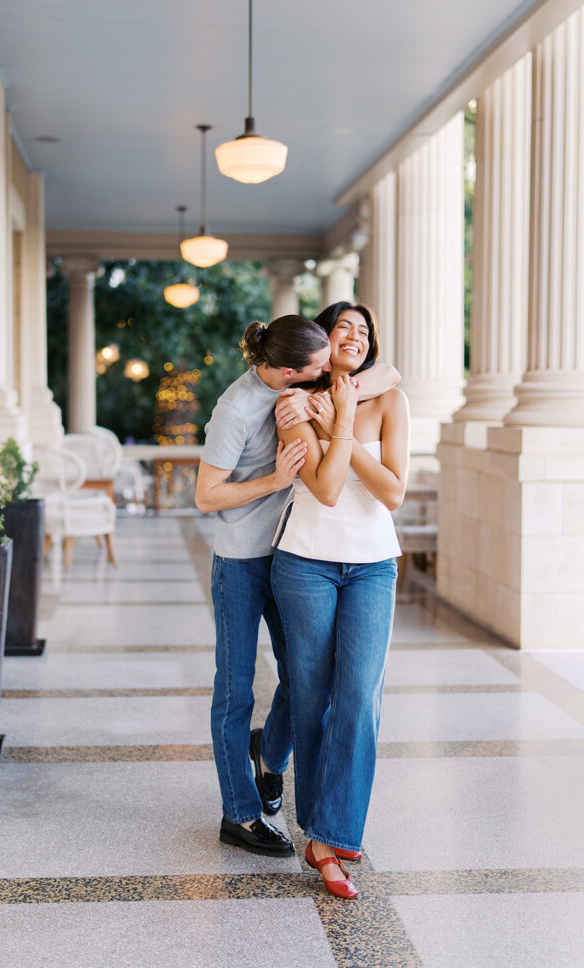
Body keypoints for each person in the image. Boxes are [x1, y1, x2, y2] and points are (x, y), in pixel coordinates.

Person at [195, 312, 400, 858]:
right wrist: (275, 479)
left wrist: (342, 402)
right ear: (292, 370)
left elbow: (387, 374)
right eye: (323, 360)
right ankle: (240, 813)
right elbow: (206, 496)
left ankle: (271, 753)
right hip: (243, 559)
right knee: (236, 689)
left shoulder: (313, 388)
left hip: (292, 553)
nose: (334, 363)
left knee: (305, 679)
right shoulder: (241, 408)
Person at [270, 302, 409, 896]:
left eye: (364, 330)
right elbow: (325, 492)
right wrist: (337, 419)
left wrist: (340, 425)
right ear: (321, 340)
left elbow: (392, 492)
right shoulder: (294, 403)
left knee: (360, 696)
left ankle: (334, 829)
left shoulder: (390, 400)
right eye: (343, 327)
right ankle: (323, 841)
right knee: (312, 695)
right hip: (305, 562)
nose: (355, 336)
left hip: (373, 565)